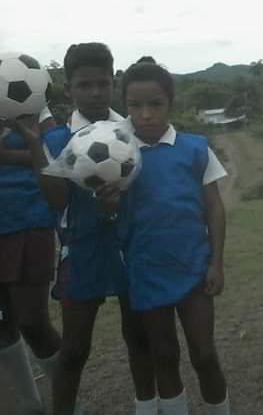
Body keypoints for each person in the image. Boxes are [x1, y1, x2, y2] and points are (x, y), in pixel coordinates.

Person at [16, 43, 156, 415]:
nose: (94, 92)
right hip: (82, 249)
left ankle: (148, 407)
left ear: (114, 83)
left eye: (102, 83)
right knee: (75, 349)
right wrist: (34, 147)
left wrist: (116, 207)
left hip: (130, 247)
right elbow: (57, 201)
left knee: (139, 336)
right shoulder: (57, 139)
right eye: (84, 85)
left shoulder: (132, 132)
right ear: (68, 89)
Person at [116, 58, 230, 415]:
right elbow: (110, 212)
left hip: (193, 268)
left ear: (170, 103)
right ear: (125, 106)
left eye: (155, 104)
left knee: (204, 353)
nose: (145, 114)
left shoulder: (195, 147)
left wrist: (216, 261)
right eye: (135, 105)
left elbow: (213, 207)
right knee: (163, 355)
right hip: (146, 270)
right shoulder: (117, 153)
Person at [0, 106, 61, 413]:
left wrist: (9, 157)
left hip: (27, 219)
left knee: (33, 322)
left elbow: (56, 155)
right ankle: (30, 404)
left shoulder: (21, 87)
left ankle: (69, 403)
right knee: (1, 321)